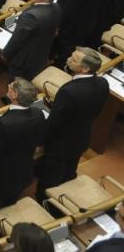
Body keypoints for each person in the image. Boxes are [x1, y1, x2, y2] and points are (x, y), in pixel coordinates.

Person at [0, 78, 46, 223]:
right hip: (23, 171)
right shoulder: (38, 114)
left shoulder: (5, 124)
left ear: (15, 96)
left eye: (11, 87)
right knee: (7, 206)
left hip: (0, 177)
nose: (8, 86)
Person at [38, 47, 109, 194]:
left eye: (74, 59)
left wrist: (40, 141)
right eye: (71, 55)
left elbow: (53, 124)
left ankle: (45, 205)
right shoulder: (103, 83)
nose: (69, 59)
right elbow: (95, 111)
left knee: (49, 181)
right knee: (68, 173)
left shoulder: (69, 91)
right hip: (81, 137)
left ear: (85, 68)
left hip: (60, 144)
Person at [1, 0, 62, 80]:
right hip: (41, 54)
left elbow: (18, 39)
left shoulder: (31, 16)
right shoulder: (57, 8)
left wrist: (5, 54)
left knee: (15, 84)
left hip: (23, 59)